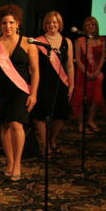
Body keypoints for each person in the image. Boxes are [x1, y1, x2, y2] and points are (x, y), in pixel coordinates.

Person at [0, 4, 39, 181]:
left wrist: (34, 94)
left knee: (17, 124)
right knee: (5, 127)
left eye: (11, 22)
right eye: (4, 23)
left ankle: (17, 164)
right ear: (0, 25)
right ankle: (9, 161)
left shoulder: (28, 44)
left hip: (21, 91)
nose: (8, 26)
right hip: (1, 92)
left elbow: (35, 70)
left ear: (18, 24)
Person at [32, 11, 74, 154]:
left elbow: (69, 65)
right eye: (49, 22)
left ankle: (52, 139)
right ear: (45, 24)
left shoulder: (67, 42)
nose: (52, 25)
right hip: (42, 83)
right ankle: (44, 144)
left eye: (54, 22)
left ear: (59, 24)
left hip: (61, 83)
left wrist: (72, 84)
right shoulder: (38, 42)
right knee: (41, 115)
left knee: (60, 114)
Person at [71, 16, 106, 133]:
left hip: (96, 72)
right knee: (80, 99)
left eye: (93, 25)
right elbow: (78, 59)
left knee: (97, 97)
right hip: (82, 72)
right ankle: (81, 124)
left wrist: (96, 72)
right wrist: (87, 73)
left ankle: (90, 120)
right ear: (84, 28)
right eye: (88, 25)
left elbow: (102, 58)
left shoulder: (101, 40)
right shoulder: (79, 41)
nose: (91, 27)